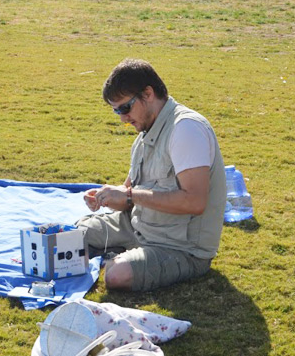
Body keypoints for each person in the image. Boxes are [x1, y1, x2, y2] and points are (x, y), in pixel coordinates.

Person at [77, 58, 227, 292]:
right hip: (138, 226)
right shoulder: (145, 134)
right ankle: (120, 252)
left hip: (179, 247)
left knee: (116, 275)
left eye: (125, 108)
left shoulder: (186, 129)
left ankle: (121, 257)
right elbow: (129, 196)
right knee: (71, 237)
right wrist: (108, 196)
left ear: (148, 93)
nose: (122, 118)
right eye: (116, 111)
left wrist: (129, 196)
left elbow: (195, 201)